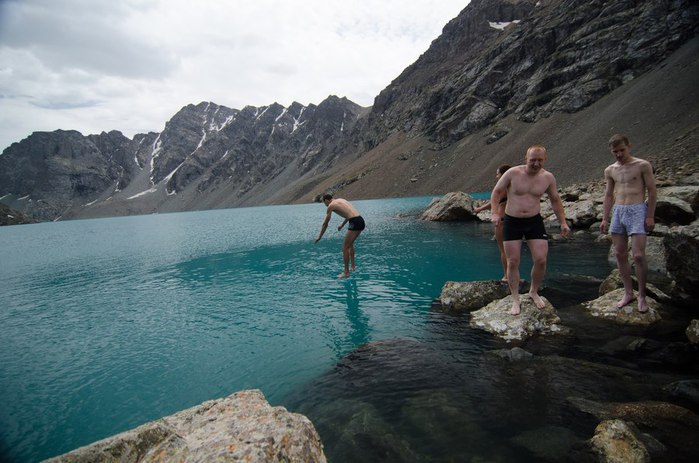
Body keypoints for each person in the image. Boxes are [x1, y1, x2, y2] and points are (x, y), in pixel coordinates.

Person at [490, 146, 570, 315]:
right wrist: (495, 213)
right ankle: (515, 298)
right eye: (532, 159)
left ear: (545, 159)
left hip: (534, 221)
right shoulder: (513, 173)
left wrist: (563, 222)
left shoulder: (548, 177)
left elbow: (555, 200)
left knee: (541, 259)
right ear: (526, 158)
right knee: (513, 261)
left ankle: (533, 291)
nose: (535, 163)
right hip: (512, 221)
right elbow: (496, 192)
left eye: (539, 160)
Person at [600, 134, 657, 313]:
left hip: (637, 209)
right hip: (619, 210)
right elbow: (609, 194)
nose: (618, 154)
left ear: (629, 146)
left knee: (639, 256)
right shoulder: (610, 170)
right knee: (619, 253)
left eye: (622, 150)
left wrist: (650, 216)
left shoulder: (642, 165)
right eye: (615, 151)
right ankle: (628, 292)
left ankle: (641, 295)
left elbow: (652, 191)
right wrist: (604, 217)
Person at [474, 164, 511, 281]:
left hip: (502, 221)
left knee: (503, 250)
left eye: (498, 173)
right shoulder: (514, 186)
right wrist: (480, 209)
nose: (496, 176)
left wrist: (479, 209)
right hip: (512, 219)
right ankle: (513, 275)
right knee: (512, 250)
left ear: (503, 174)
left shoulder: (504, 187)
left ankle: (506, 276)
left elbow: (494, 200)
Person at [315, 194, 366, 278]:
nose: (325, 205)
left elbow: (325, 224)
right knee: (350, 244)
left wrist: (320, 236)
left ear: (326, 200)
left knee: (345, 247)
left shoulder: (331, 206)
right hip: (360, 220)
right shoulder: (342, 200)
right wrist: (342, 224)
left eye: (324, 203)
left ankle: (346, 272)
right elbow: (349, 213)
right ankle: (352, 266)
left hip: (354, 222)